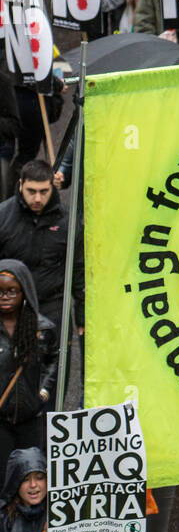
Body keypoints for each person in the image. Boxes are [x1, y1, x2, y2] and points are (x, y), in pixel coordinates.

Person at [0, 159, 84, 337]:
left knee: (54, 363)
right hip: (12, 311)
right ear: (21, 184)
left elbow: (79, 270)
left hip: (54, 309)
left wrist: (82, 316)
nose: (37, 198)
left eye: (44, 191)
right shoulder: (3, 217)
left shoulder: (68, 221)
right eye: (32, 191)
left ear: (52, 187)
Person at [0, 260, 58, 486]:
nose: (4, 297)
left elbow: (53, 361)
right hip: (1, 421)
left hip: (30, 419)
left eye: (11, 291)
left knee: (29, 478)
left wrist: (43, 393)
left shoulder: (42, 329)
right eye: (0, 292)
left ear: (24, 291)